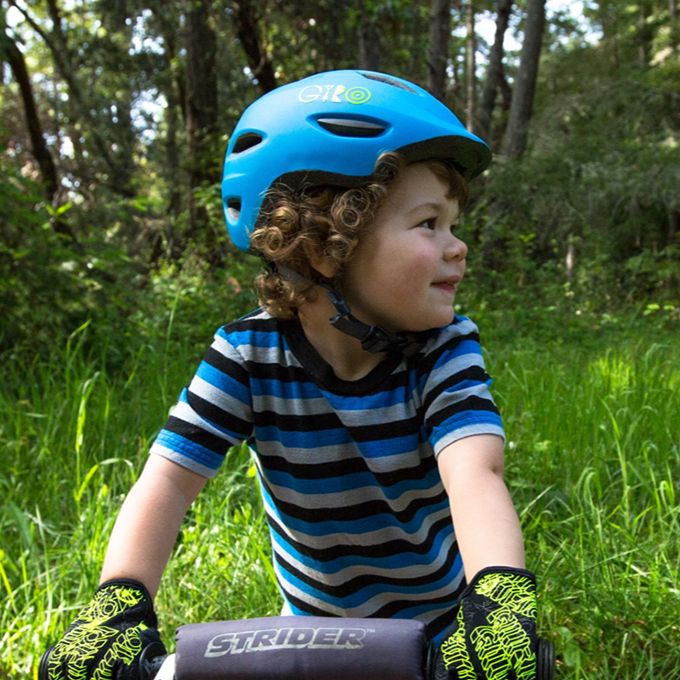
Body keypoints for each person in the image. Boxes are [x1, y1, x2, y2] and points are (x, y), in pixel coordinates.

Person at [42, 70, 539, 680]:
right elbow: (167, 483)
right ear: (329, 245)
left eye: (453, 224)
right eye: (429, 223)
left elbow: (476, 474)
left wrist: (500, 601)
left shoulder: (444, 349)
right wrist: (116, 603)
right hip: (308, 634)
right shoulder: (247, 354)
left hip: (443, 636)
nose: (457, 245)